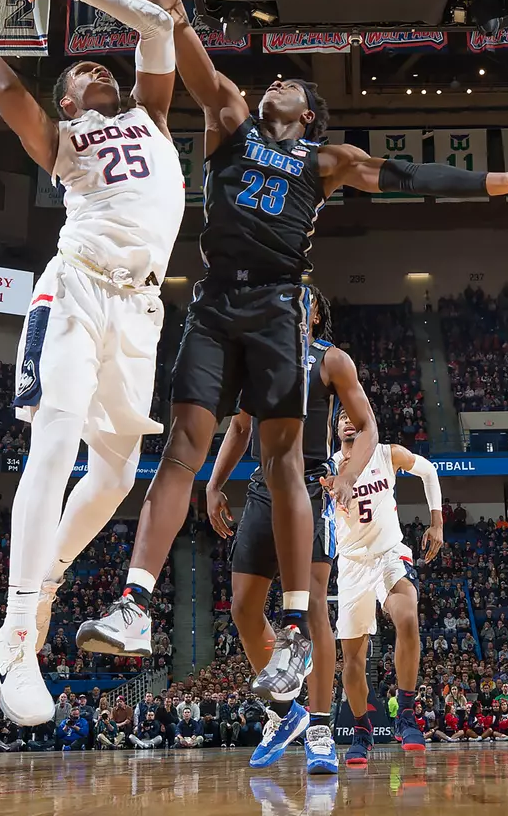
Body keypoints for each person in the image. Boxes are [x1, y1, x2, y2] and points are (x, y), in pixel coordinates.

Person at [72, 0, 508, 707]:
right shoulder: (226, 117)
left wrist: (499, 185)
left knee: (283, 462)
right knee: (184, 452)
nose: (274, 85)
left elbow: (409, 174)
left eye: (289, 85)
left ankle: (299, 633)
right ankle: (134, 603)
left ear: (310, 112)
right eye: (272, 82)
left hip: (274, 306)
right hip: (213, 299)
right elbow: (171, 22)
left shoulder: (328, 163)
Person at [0, 0, 185, 728]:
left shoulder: (155, 117)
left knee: (112, 477)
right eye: (81, 74)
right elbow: (8, 95)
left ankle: (47, 582)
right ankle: (16, 632)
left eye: (102, 69)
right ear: (68, 103)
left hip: (141, 312)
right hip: (73, 290)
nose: (96, 73)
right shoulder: (64, 141)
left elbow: (161, 27)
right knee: (56, 440)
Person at [196, 292, 376, 773]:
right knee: (243, 607)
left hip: (310, 488)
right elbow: (238, 429)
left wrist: (345, 476)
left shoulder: (331, 359)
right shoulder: (260, 353)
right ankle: (284, 711)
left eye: (301, 297)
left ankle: (319, 726)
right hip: (261, 489)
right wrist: (214, 485)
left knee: (314, 602)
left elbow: (368, 426)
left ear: (315, 311)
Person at [325, 403, 444, 766]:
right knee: (353, 660)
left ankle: (405, 714)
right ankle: (362, 730)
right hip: (352, 565)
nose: (348, 421)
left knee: (407, 616)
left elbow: (428, 470)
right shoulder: (327, 466)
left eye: (353, 416)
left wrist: (436, 522)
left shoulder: (385, 453)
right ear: (334, 428)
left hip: (390, 553)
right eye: (341, 417)